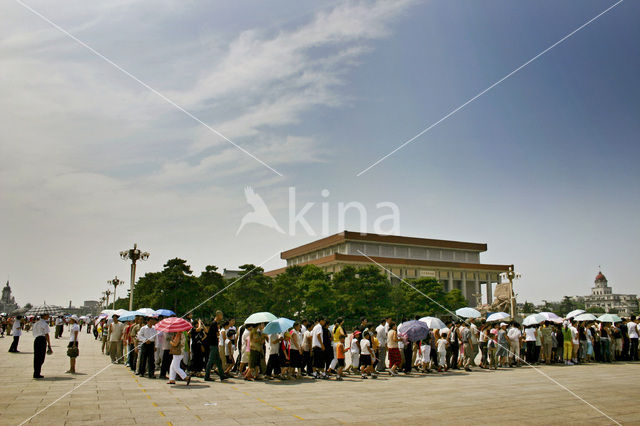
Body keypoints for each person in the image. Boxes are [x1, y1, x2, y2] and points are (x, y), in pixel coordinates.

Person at [204, 311, 227, 382]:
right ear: (218, 315)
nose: (222, 317)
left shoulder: (214, 324)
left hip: (214, 344)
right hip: (213, 345)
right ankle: (207, 376)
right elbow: (214, 334)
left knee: (218, 361)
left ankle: (222, 375)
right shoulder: (214, 324)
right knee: (210, 361)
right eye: (221, 315)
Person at [33, 313, 52, 379]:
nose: (48, 316)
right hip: (42, 340)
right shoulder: (44, 324)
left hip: (36, 340)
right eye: (47, 315)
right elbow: (47, 335)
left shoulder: (36, 323)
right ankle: (37, 373)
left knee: (36, 357)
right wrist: (49, 344)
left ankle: (36, 372)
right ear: (44, 316)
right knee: (41, 357)